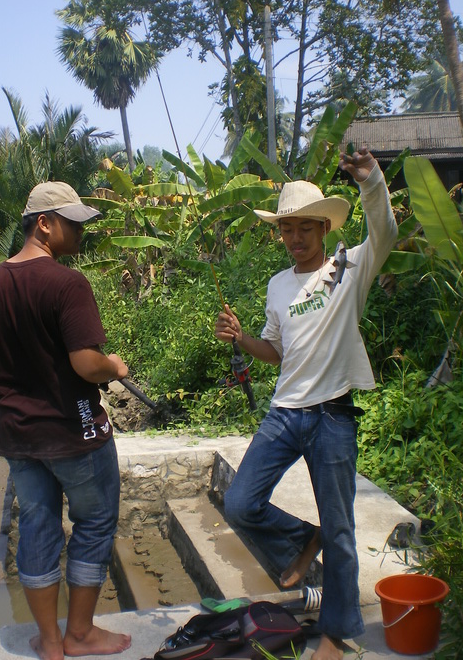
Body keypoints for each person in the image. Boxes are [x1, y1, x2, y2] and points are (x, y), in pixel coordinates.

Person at [215, 149, 397, 660]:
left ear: (323, 229)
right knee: (240, 503)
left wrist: (371, 181)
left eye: (305, 230)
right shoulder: (277, 285)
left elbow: (384, 234)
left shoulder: (348, 268)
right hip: (284, 414)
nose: (295, 239)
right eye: (286, 230)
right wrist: (242, 338)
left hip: (332, 416)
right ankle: (303, 536)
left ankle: (337, 634)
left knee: (342, 531)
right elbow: (277, 352)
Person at [0, 181, 132, 660]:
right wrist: (115, 366)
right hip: (74, 431)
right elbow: (86, 363)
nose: (81, 231)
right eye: (73, 222)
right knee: (95, 521)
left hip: (20, 437)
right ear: (44, 223)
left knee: (38, 525)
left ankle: (50, 641)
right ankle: (80, 634)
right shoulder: (67, 283)